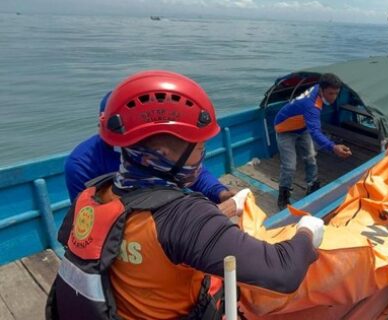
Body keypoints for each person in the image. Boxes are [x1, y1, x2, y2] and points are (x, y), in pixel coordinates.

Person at [47, 70, 324, 320]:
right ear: (166, 155)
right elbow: (284, 271)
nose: (202, 157)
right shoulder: (183, 218)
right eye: (200, 146)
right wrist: (306, 231)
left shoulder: (94, 194)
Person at [64, 92, 237, 216]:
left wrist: (219, 192)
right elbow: (87, 217)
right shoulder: (81, 163)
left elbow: (190, 171)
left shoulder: (155, 146)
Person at [274, 73, 352, 210]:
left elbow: (313, 128)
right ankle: (283, 195)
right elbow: (315, 132)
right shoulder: (311, 106)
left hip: (301, 126)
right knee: (289, 165)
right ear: (322, 90)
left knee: (310, 156)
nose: (333, 98)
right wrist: (333, 147)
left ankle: (312, 183)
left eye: (336, 93)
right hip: (284, 129)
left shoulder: (318, 87)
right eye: (330, 93)